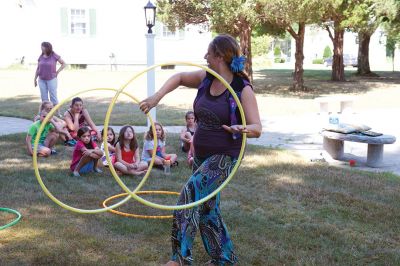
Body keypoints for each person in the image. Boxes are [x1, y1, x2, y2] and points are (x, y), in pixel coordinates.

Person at [139, 34, 262, 265]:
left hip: (225, 156)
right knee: (207, 208)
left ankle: (179, 260)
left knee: (189, 196)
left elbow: (257, 128)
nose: (205, 56)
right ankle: (224, 259)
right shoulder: (207, 77)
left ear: (220, 56)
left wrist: (242, 127)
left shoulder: (241, 88)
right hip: (202, 154)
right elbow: (178, 77)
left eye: (208, 53)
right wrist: (156, 97)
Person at [34, 42, 66, 106]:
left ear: (47, 48)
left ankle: (56, 112)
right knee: (44, 98)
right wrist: (35, 79)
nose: (41, 48)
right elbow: (38, 68)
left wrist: (57, 72)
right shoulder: (41, 56)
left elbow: (63, 64)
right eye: (41, 46)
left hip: (51, 79)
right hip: (41, 80)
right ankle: (45, 113)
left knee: (53, 97)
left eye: (42, 46)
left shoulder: (54, 55)